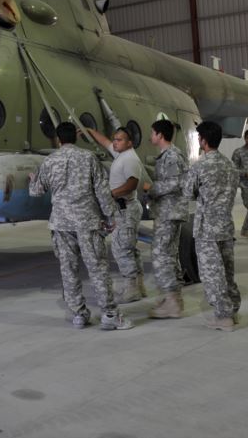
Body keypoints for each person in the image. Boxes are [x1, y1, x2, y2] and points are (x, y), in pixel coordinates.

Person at [29, 122, 134, 331]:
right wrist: (112, 216)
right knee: (97, 268)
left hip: (61, 224)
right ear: (74, 138)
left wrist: (33, 180)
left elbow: (36, 191)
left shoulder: (50, 161)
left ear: (58, 139)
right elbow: (103, 192)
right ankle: (110, 315)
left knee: (68, 269)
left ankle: (78, 314)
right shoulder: (88, 158)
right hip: (87, 222)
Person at [183, 121, 241, 332]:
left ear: (204, 141)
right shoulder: (230, 165)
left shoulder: (200, 165)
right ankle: (233, 311)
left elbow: (188, 193)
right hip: (225, 225)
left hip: (207, 228)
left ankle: (223, 317)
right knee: (227, 272)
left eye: (199, 138)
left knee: (211, 274)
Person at [87, 126, 146, 304]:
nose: (115, 142)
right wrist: (90, 130)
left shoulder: (130, 159)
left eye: (119, 140)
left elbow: (132, 184)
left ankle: (131, 289)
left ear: (129, 142)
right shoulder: (121, 154)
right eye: (115, 139)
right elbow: (105, 143)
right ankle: (138, 286)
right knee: (130, 248)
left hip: (126, 208)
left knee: (122, 249)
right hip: (124, 208)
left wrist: (110, 194)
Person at [142, 119, 188, 318]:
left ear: (160, 135)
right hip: (168, 211)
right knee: (169, 255)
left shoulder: (172, 156)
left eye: (152, 133)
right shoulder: (167, 155)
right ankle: (171, 298)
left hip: (169, 212)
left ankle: (172, 302)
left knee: (161, 255)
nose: (150, 136)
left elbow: (177, 182)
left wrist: (150, 188)